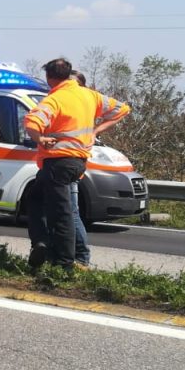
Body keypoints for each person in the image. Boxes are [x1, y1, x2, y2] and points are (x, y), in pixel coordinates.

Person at [24, 59, 129, 269]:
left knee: (61, 214)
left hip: (58, 162)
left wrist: (40, 139)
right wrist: (96, 131)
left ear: (50, 78)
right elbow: (122, 109)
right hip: (78, 162)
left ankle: (64, 262)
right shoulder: (89, 95)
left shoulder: (55, 98)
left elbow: (31, 122)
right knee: (37, 201)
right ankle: (45, 244)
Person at [68, 71, 93, 266]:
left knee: (71, 212)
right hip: (67, 165)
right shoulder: (77, 104)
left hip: (70, 166)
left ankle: (81, 257)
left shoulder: (84, 103)